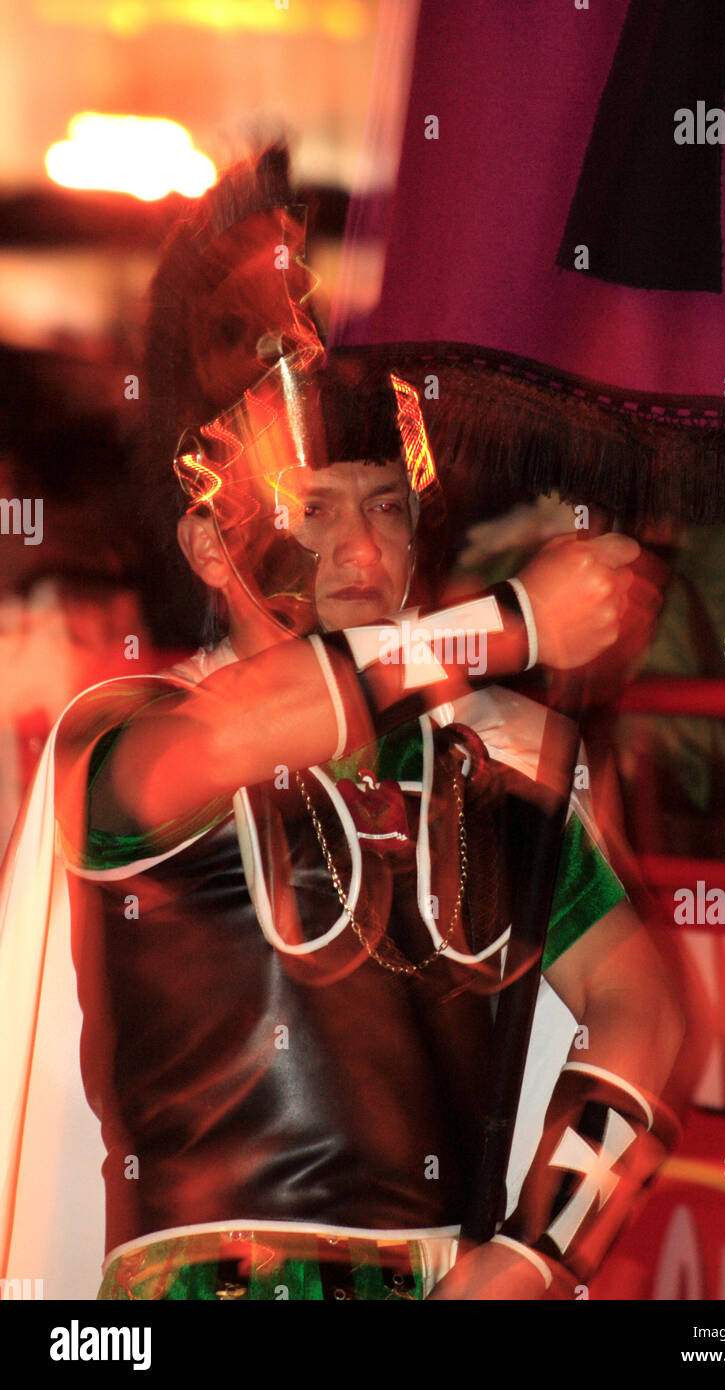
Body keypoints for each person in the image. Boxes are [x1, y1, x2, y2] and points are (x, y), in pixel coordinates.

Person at [4, 151, 688, 1301]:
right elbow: (248, 732)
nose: (363, 554)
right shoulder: (123, 731)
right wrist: (512, 623)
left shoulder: (494, 764)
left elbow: (642, 1008)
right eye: (312, 513)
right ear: (212, 548)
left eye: (386, 508)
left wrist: (538, 1251)